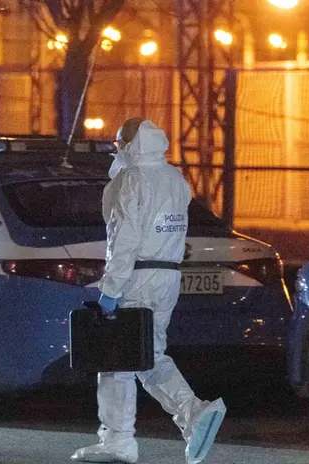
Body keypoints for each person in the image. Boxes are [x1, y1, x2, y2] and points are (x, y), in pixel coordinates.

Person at [71, 118, 226, 464]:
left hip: (136, 276)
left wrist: (111, 288)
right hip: (168, 277)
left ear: (130, 144)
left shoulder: (131, 180)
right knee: (148, 354)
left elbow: (124, 239)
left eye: (118, 143)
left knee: (115, 359)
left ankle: (118, 440)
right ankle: (193, 412)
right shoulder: (175, 179)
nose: (115, 149)